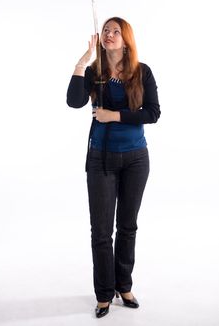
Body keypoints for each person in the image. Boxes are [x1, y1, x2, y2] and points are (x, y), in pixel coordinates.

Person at [66, 17, 161, 318]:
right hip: (101, 159)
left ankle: (124, 285)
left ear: (126, 39)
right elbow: (73, 101)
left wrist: (114, 115)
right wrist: (83, 61)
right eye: (105, 31)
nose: (108, 35)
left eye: (115, 31)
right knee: (101, 231)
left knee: (128, 227)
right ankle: (104, 293)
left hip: (135, 159)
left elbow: (153, 113)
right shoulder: (95, 72)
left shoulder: (142, 72)